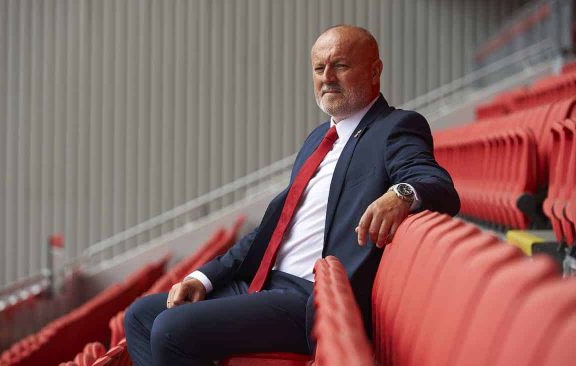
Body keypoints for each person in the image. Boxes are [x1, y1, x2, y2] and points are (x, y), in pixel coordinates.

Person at [124, 24, 460, 366]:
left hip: (310, 297)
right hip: (265, 283)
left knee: (170, 329)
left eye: (340, 65)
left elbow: (436, 183)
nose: (327, 77)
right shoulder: (317, 140)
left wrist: (401, 193)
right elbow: (273, 229)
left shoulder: (395, 127)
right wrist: (204, 277)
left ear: (375, 70)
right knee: (140, 316)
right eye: (319, 68)